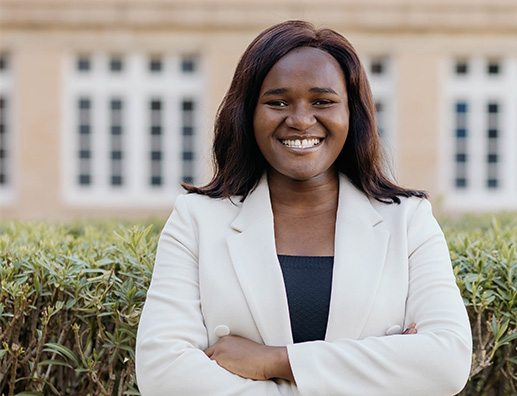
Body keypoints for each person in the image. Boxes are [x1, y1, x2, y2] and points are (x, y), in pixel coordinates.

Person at [135, 20, 472, 396]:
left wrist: (276, 361)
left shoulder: (407, 220)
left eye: (323, 102)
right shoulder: (197, 219)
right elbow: (162, 371)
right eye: (277, 102)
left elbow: (447, 361)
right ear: (248, 113)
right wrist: (385, 368)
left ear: (352, 113)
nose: (300, 120)